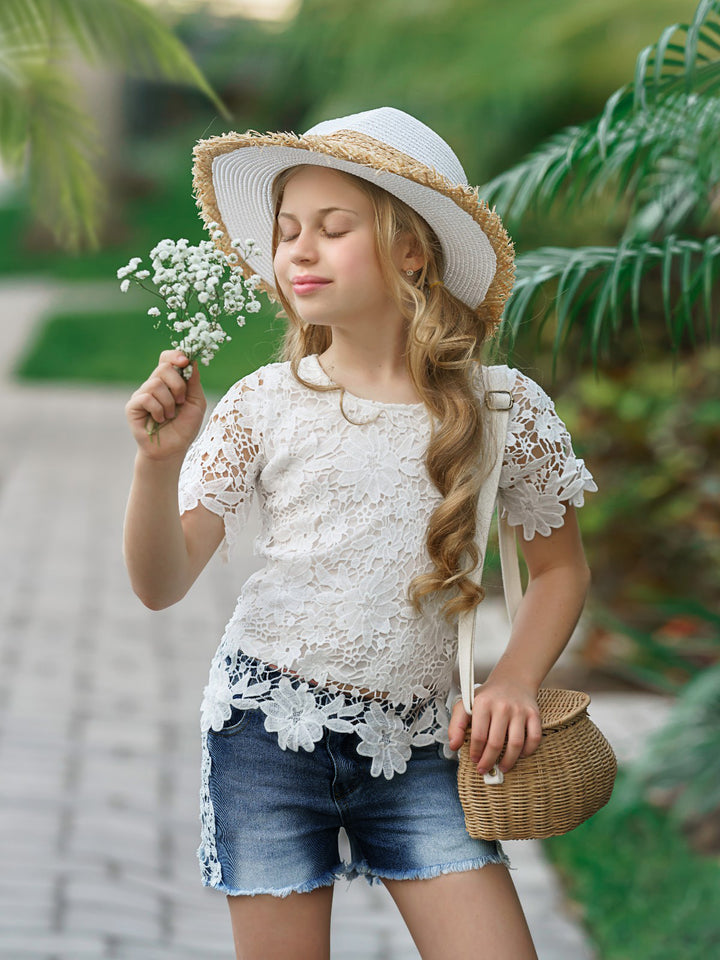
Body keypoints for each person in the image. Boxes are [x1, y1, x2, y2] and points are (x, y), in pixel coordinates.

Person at [124, 107, 595, 960]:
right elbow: (160, 584)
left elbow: (559, 570)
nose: (298, 250)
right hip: (265, 736)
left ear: (411, 249)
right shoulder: (262, 405)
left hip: (421, 747)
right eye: (287, 231)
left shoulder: (503, 408)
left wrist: (517, 678)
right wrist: (157, 466)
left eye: (332, 229)